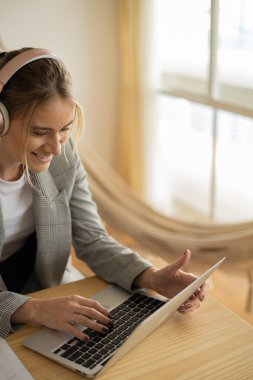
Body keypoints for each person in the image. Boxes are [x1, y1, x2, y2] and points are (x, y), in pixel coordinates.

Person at [0, 47, 209, 340]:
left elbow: (92, 238)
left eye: (64, 129)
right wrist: (33, 310)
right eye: (39, 132)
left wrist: (152, 277)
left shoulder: (63, 154)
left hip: (49, 291)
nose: (56, 148)